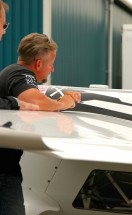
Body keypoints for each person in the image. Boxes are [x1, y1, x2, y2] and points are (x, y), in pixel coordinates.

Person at [0, 9, 81, 214]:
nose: (52, 69)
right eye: (51, 64)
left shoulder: (13, 74)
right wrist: (65, 101)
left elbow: (34, 95)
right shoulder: (21, 73)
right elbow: (35, 102)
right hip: (3, 173)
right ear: (38, 63)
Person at [0, 0, 38, 111]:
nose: (4, 32)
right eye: (3, 25)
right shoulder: (18, 73)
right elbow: (36, 102)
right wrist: (16, 103)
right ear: (38, 63)